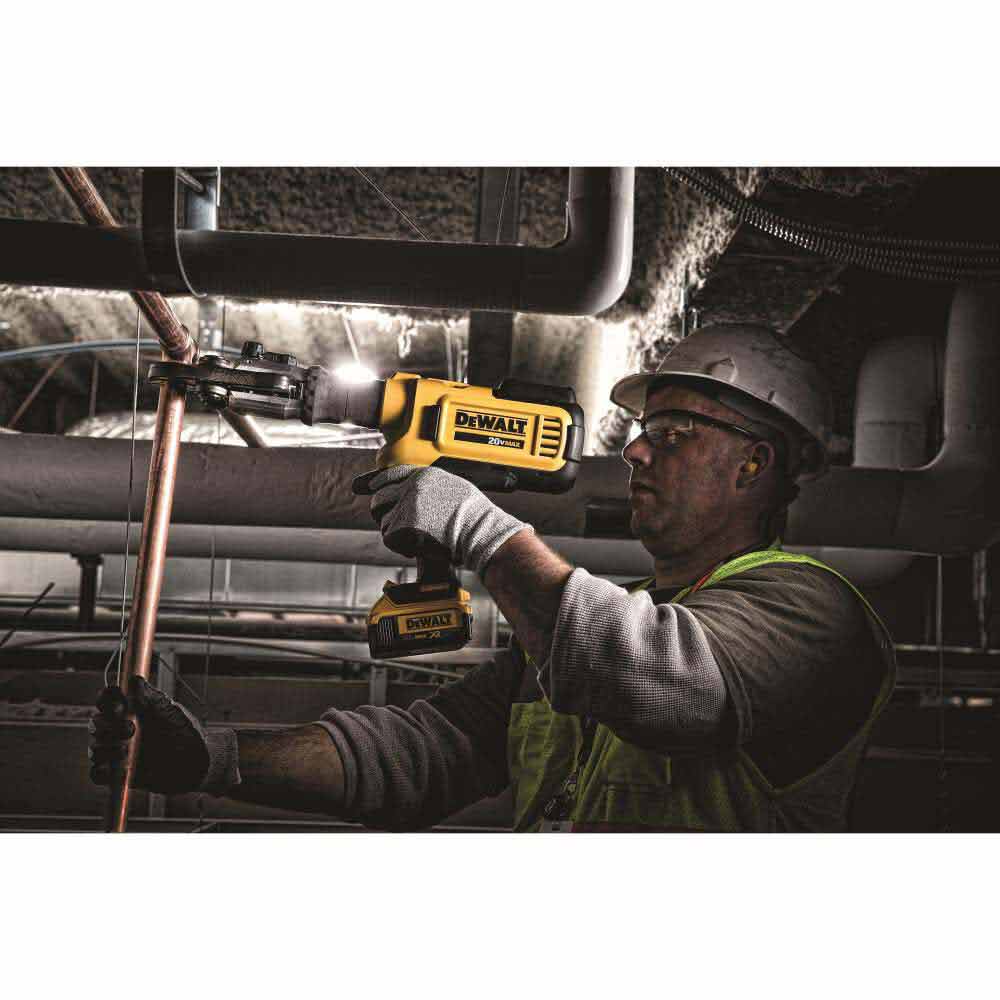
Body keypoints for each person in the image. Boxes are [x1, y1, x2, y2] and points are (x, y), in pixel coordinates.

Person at [90, 325, 895, 832]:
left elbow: (659, 681)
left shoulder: (812, 611)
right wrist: (216, 759)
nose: (637, 451)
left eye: (674, 431)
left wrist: (481, 530)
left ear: (755, 463)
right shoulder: (574, 640)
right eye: (643, 430)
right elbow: (422, 753)